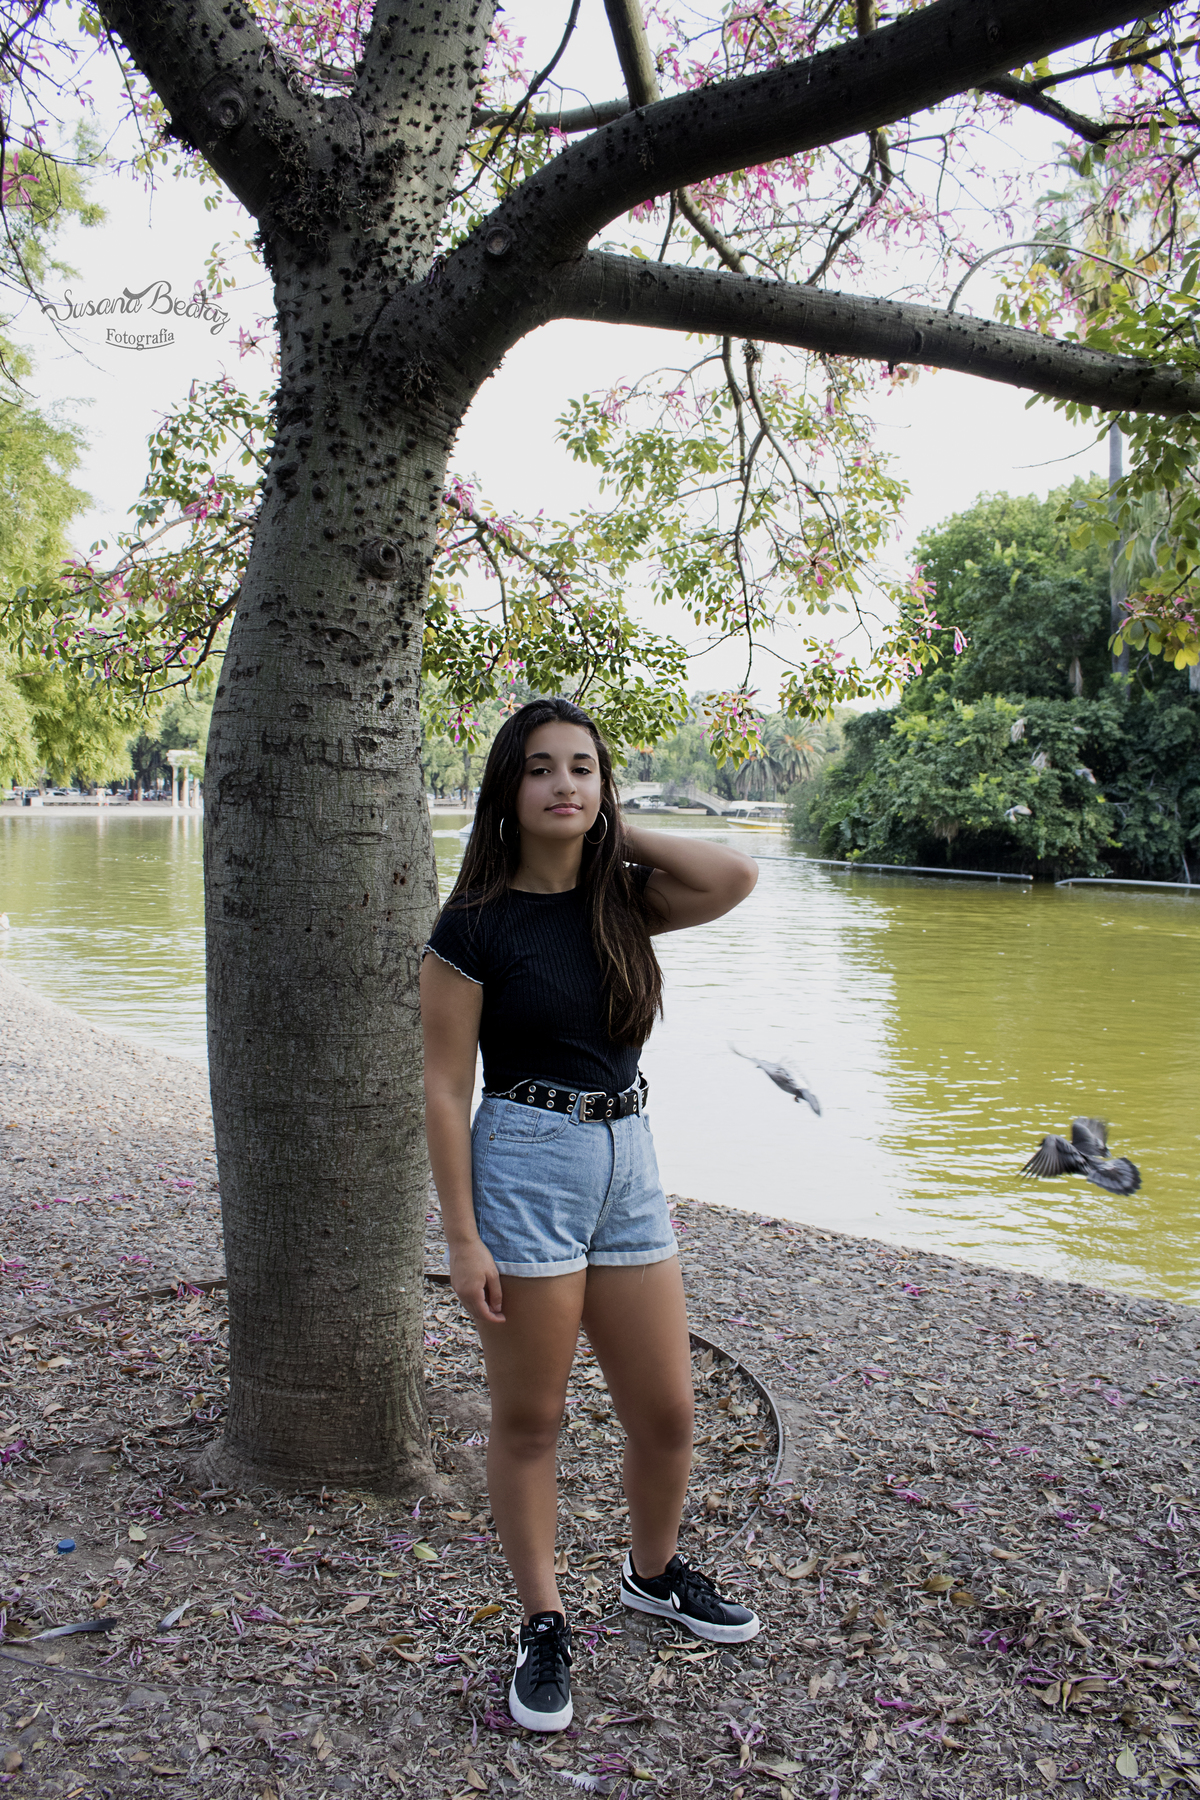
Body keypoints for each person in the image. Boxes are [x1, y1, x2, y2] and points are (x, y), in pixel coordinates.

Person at [420, 696, 760, 1734]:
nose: (564, 784)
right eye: (541, 770)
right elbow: (441, 1086)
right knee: (532, 1421)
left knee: (667, 1413)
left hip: (629, 1159)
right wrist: (464, 1234)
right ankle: (542, 1622)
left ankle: (651, 1573)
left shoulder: (625, 901)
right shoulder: (472, 925)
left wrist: (615, 830)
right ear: (506, 792)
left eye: (584, 768)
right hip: (525, 1158)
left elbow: (737, 876)